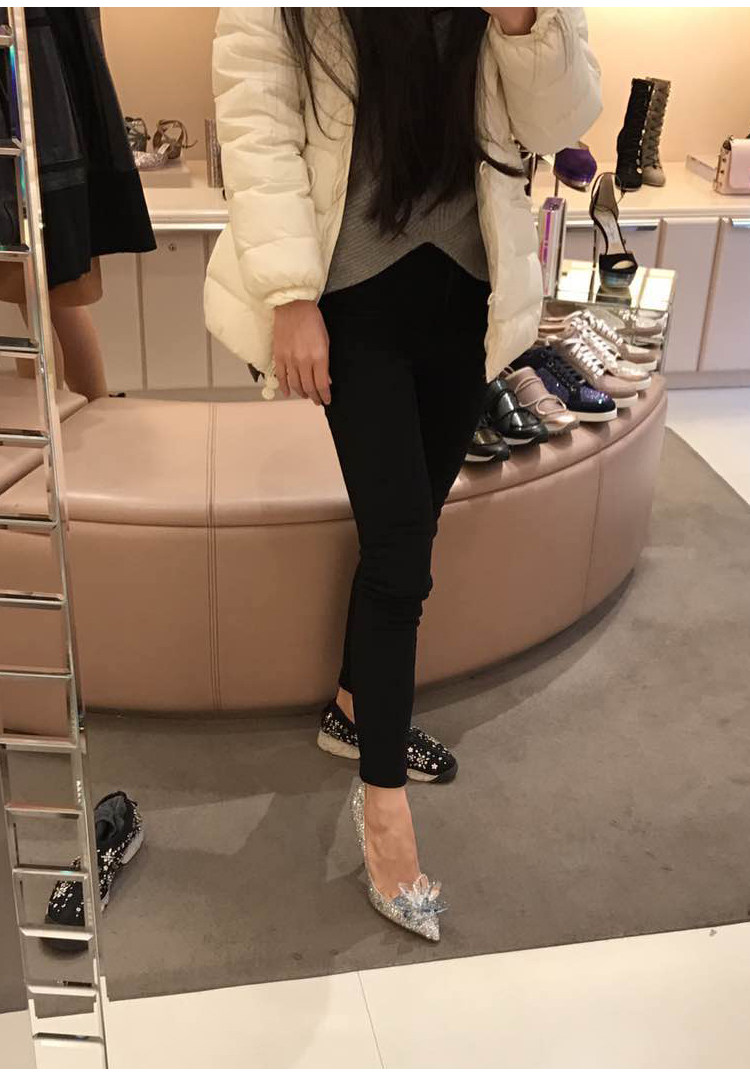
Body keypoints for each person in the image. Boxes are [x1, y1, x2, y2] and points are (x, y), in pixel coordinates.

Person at [205, 6, 601, 940]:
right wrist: (289, 296)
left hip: (469, 287)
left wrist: (524, 23)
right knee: (398, 554)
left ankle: (355, 708)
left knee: (414, 521)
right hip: (349, 295)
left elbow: (557, 123)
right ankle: (383, 805)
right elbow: (257, 122)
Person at [0, 7, 155, 400]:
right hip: (42, 80)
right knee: (41, 289)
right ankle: (84, 412)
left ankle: (68, 418)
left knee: (38, 285)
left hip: (32, 78)